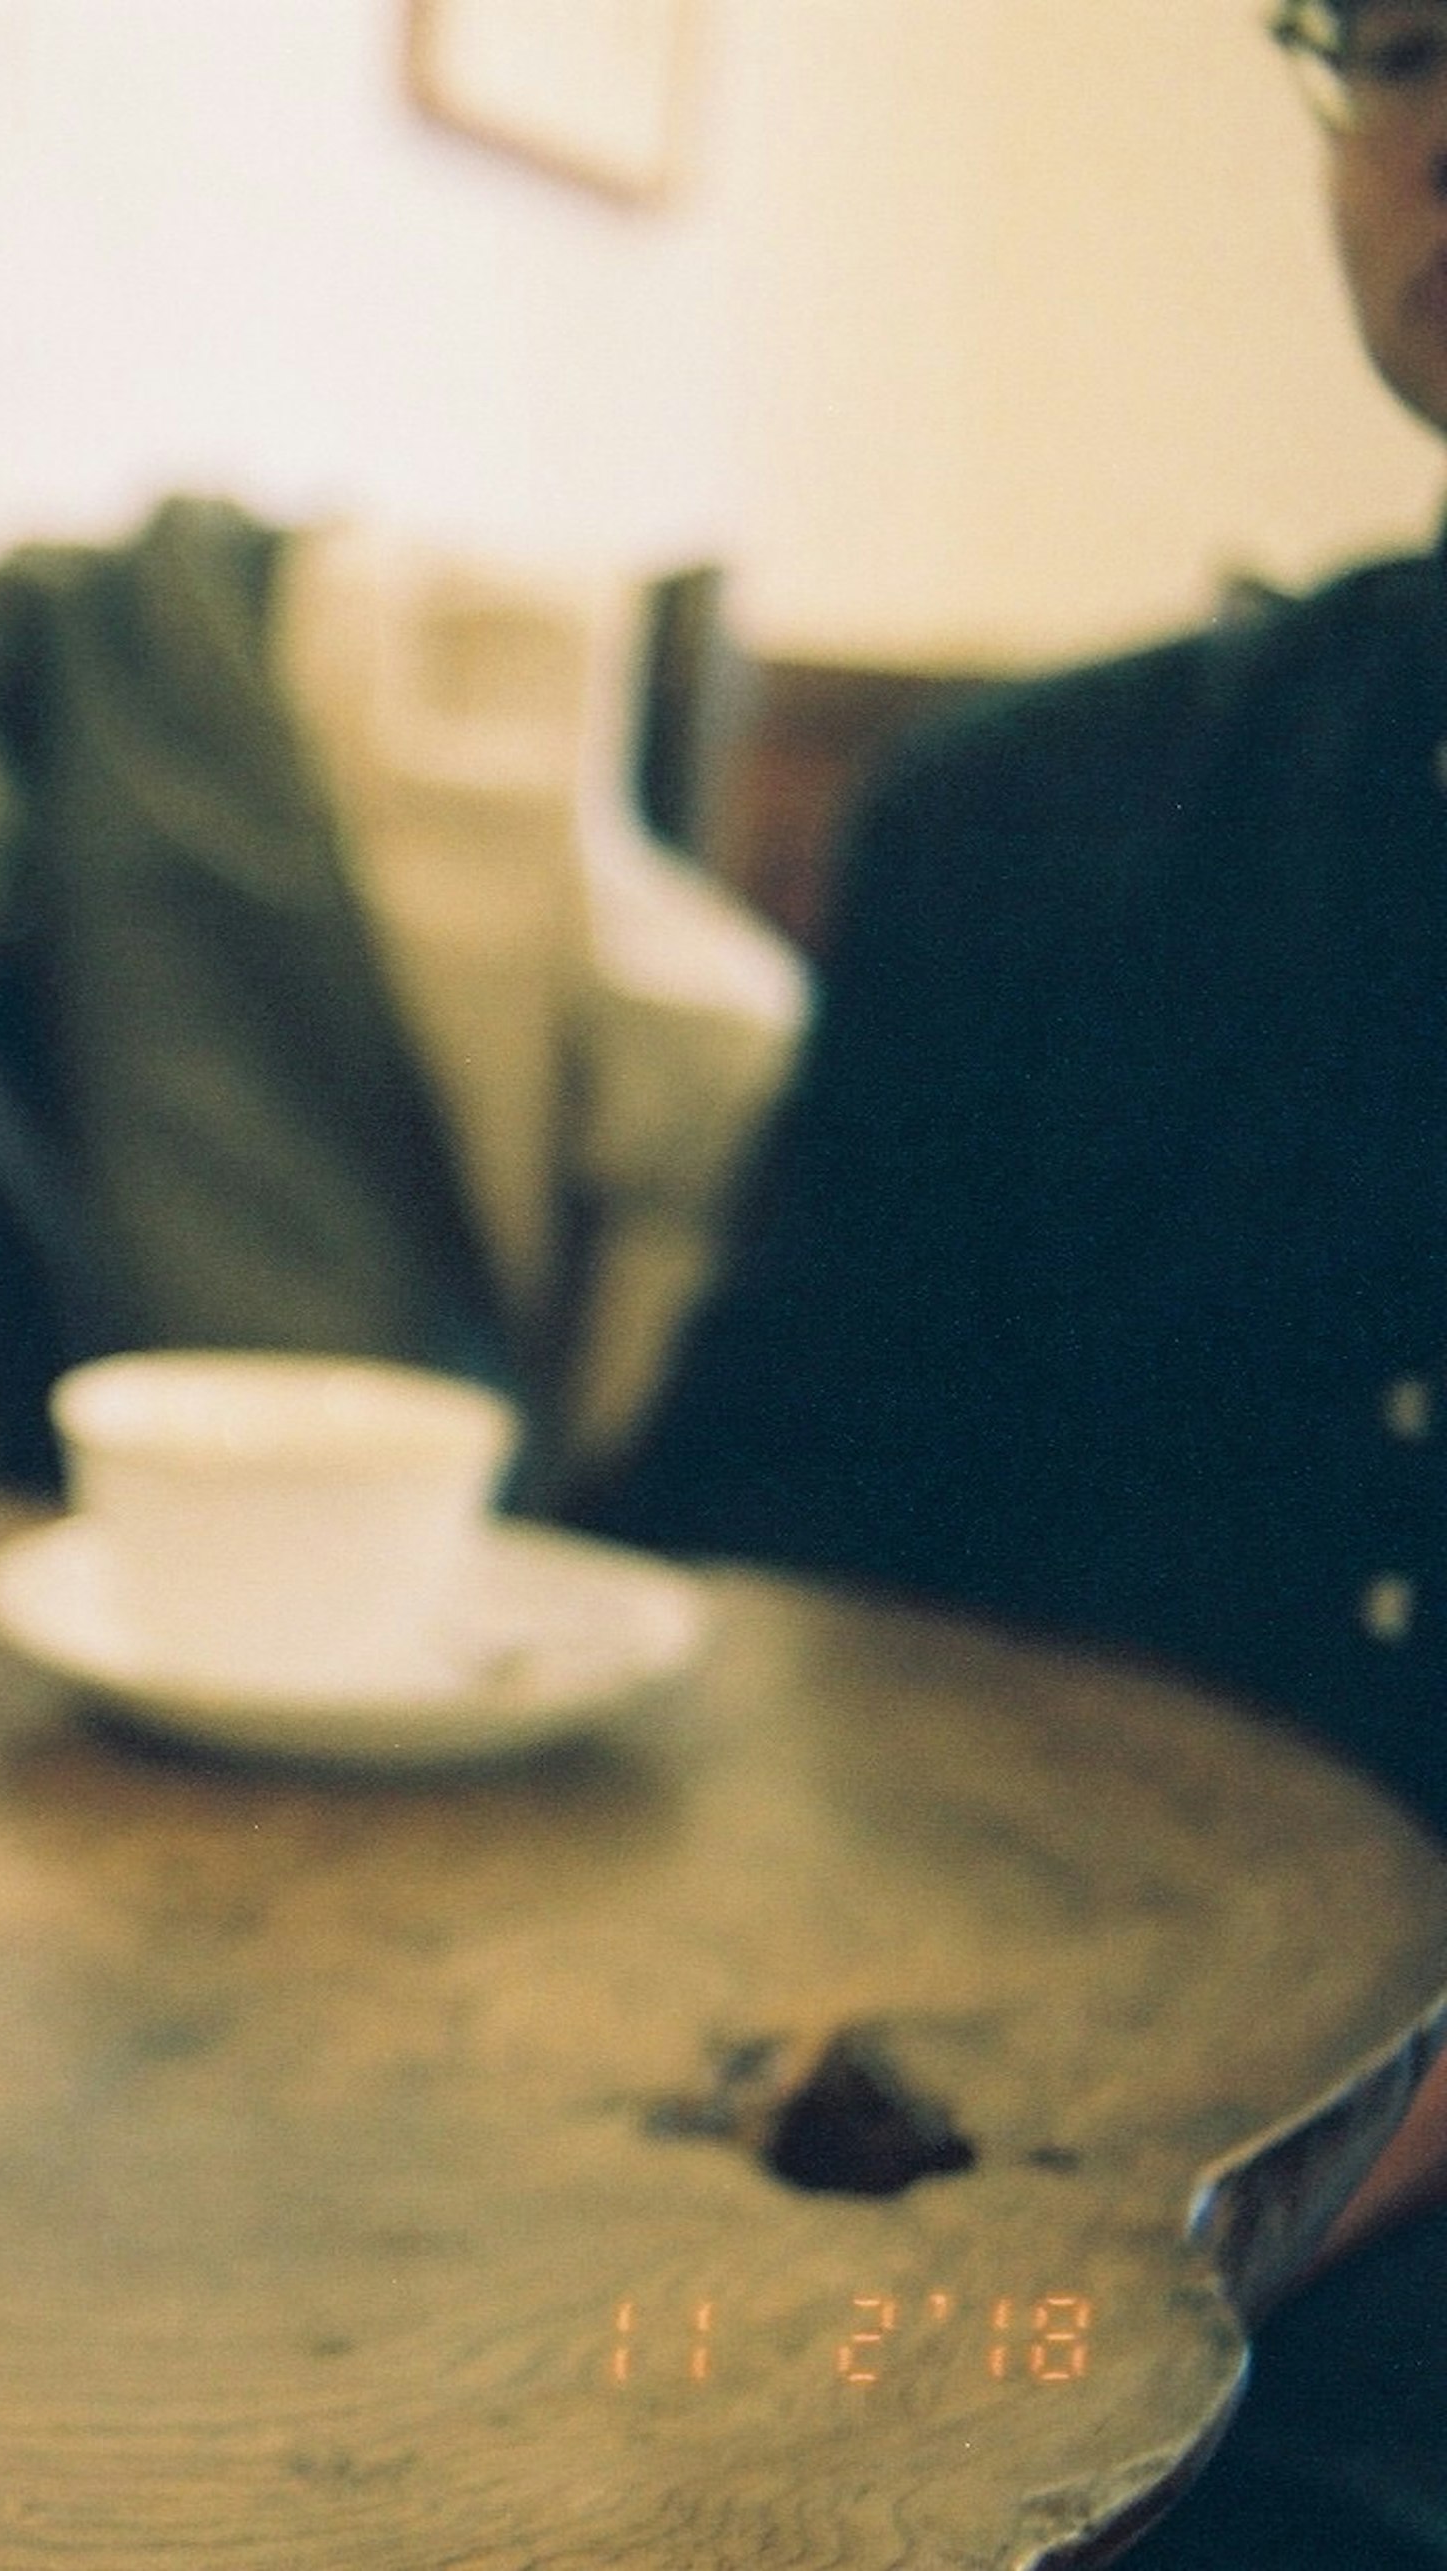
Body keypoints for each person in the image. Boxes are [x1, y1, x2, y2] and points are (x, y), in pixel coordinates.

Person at [595, 4, 1447, 2556]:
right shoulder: (1024, 829)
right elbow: (751, 1548)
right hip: (908, 2209)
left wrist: (1263, 2167)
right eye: (1396, 38)